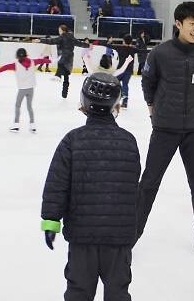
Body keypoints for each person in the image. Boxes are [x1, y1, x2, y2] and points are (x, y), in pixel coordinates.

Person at [41, 73, 140, 301]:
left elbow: (57, 185)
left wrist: (51, 222)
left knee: (79, 292)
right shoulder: (128, 141)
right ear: (117, 105)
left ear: (83, 105)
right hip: (119, 239)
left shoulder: (72, 141)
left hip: (82, 238)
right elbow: (132, 186)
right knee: (118, 292)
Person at [136, 1, 194, 248]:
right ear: (178, 24)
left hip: (193, 129)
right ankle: (132, 232)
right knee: (149, 182)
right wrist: (153, 108)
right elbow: (147, 82)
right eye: (192, 24)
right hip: (165, 128)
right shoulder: (160, 53)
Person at [0, 48, 51, 133]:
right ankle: (32, 125)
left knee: (17, 106)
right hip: (31, 88)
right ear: (26, 54)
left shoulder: (16, 64)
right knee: (29, 106)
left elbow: (6, 67)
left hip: (22, 89)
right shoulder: (33, 61)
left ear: (17, 56)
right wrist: (54, 60)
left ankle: (16, 125)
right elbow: (43, 60)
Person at [38, 25, 90, 99]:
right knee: (66, 75)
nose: (59, 31)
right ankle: (64, 94)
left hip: (64, 55)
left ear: (63, 30)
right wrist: (88, 45)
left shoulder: (62, 36)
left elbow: (52, 41)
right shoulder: (71, 37)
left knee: (61, 64)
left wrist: (41, 40)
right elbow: (80, 43)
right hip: (70, 57)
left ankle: (58, 76)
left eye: (59, 30)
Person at [108, 34, 139, 108]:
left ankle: (117, 97)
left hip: (120, 70)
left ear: (124, 41)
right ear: (131, 42)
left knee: (115, 83)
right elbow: (144, 51)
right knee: (125, 84)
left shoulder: (119, 47)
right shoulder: (133, 49)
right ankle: (125, 101)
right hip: (129, 71)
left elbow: (110, 46)